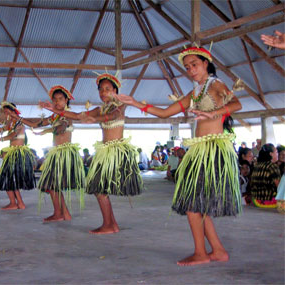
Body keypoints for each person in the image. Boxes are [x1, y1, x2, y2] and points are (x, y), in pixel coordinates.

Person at [115, 46, 242, 265]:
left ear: (206, 63)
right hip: (200, 150)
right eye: (187, 67)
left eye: (194, 65)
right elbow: (165, 112)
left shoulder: (216, 84)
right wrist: (135, 103)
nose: (191, 70)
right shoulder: (195, 92)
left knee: (193, 205)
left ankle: (201, 254)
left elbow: (236, 104)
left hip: (213, 151)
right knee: (197, 204)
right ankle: (218, 251)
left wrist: (213, 112)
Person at [41, 73, 144, 234]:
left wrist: (96, 119)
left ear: (115, 90)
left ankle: (109, 224)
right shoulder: (99, 109)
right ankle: (111, 224)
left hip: (116, 152)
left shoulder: (120, 105)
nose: (104, 92)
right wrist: (54, 110)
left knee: (99, 189)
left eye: (108, 89)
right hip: (105, 151)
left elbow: (114, 115)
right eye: (101, 90)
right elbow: (76, 115)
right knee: (99, 189)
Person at [23, 85, 85, 222]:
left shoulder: (68, 115)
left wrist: (47, 131)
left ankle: (60, 214)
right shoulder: (53, 117)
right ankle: (64, 214)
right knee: (52, 186)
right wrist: (18, 118)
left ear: (66, 100)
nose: (57, 102)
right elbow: (35, 124)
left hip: (64, 154)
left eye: (60, 99)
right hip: (56, 154)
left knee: (51, 185)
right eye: (55, 99)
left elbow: (61, 128)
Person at [0, 102, 35, 210]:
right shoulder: (10, 125)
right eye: (5, 113)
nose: (7, 115)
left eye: (8, 112)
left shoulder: (19, 124)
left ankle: (19, 203)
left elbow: (12, 135)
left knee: (10, 178)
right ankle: (14, 202)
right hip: (11, 153)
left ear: (14, 112)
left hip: (17, 154)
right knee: (8, 178)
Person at [250, 143, 281, 208]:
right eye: (276, 152)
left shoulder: (257, 165)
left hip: (255, 200)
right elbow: (279, 187)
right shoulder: (272, 166)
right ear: (271, 154)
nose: (278, 154)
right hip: (268, 201)